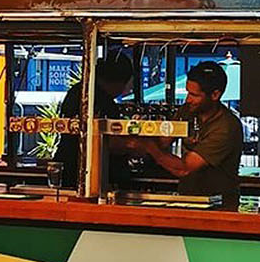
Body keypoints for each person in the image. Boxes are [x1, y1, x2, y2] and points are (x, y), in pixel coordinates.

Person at [141, 60, 243, 206]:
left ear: (215, 95)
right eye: (187, 92)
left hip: (219, 205)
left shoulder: (226, 127)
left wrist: (148, 146)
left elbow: (184, 168)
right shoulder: (186, 111)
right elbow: (163, 141)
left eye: (194, 95)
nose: (188, 99)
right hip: (187, 199)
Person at [54, 50, 134, 189]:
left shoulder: (76, 91)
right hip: (94, 173)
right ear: (119, 82)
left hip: (67, 165)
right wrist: (138, 146)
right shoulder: (105, 102)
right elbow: (112, 144)